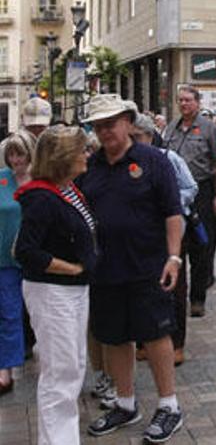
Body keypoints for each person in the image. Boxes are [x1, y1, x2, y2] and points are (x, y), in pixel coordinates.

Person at [79, 95, 185, 443]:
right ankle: (125, 404)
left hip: (148, 267)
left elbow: (173, 212)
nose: (106, 130)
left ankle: (169, 406)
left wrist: (173, 258)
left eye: (112, 122)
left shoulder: (153, 161)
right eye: (99, 124)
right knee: (114, 337)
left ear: (128, 121)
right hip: (105, 269)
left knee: (155, 335)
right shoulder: (90, 167)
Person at [14, 126, 95, 444]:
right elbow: (27, 251)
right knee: (59, 373)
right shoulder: (42, 197)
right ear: (63, 158)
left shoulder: (66, 189)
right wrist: (71, 269)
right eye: (80, 150)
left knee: (71, 367)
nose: (86, 154)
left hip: (71, 291)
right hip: (53, 292)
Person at [131, 112, 197, 366]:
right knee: (142, 287)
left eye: (138, 138)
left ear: (150, 136)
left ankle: (177, 343)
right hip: (139, 237)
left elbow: (191, 188)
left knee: (176, 289)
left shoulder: (169, 159)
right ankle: (144, 340)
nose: (134, 143)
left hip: (171, 235)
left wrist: (167, 203)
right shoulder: (126, 163)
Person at [164, 86, 216, 318]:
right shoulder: (170, 128)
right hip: (177, 193)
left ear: (198, 103)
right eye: (180, 100)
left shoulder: (209, 128)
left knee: (202, 245)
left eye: (188, 100)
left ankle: (198, 298)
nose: (184, 104)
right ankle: (176, 292)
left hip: (202, 191)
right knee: (176, 244)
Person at [0, 133, 34, 396]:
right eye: (11, 154)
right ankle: (6, 370)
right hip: (5, 259)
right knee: (9, 314)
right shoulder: (1, 179)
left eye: (19, 154)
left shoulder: (39, 181)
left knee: (42, 314)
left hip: (36, 259)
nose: (15, 160)